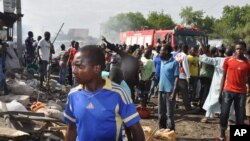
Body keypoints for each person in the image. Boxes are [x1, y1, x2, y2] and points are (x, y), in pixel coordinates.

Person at [64, 45, 145, 141]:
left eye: (79, 66)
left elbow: (137, 131)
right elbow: (72, 129)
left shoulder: (118, 94)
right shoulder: (73, 95)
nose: (74, 71)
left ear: (96, 69)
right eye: (73, 66)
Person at [219, 42, 250, 140]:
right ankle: (222, 134)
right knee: (224, 112)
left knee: (240, 115)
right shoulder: (228, 60)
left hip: (241, 92)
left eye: (241, 49)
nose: (239, 50)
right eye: (237, 49)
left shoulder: (248, 63)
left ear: (244, 50)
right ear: (234, 49)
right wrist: (220, 91)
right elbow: (223, 76)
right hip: (228, 91)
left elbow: (248, 78)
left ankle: (238, 136)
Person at [102, 37, 140, 103]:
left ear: (130, 51)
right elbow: (137, 74)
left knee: (121, 97)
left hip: (125, 81)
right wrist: (136, 83)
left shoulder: (125, 55)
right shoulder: (136, 60)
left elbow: (115, 49)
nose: (125, 50)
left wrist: (106, 41)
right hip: (130, 82)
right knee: (129, 98)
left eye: (127, 48)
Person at [158, 44, 179, 130]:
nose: (159, 53)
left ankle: (170, 132)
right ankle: (161, 130)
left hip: (169, 92)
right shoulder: (162, 61)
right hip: (161, 90)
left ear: (166, 52)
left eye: (161, 51)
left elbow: (177, 78)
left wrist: (174, 93)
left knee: (170, 114)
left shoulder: (175, 63)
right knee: (160, 113)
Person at [175, 44, 192, 111]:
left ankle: (174, 105)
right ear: (186, 49)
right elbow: (185, 67)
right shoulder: (184, 56)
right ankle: (188, 108)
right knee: (185, 93)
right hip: (182, 76)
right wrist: (188, 76)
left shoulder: (178, 54)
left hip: (177, 75)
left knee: (175, 91)